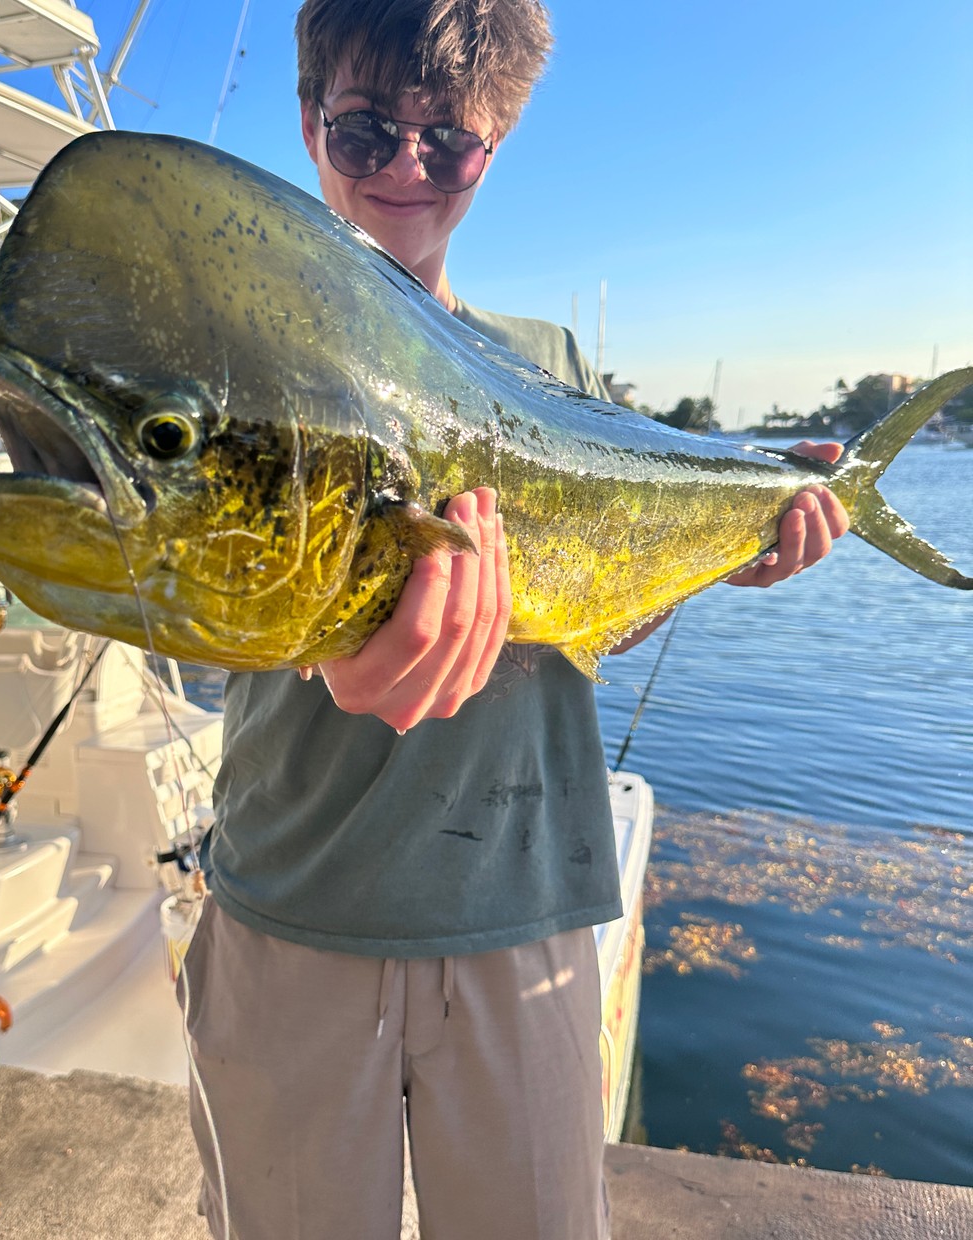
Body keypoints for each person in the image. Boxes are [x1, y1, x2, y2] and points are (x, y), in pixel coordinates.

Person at [179, 3, 850, 1238]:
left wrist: (715, 560)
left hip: (523, 910)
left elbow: (593, 625)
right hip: (290, 910)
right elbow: (165, 592)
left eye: (450, 143)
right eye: (366, 130)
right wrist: (335, 641)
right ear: (309, 119)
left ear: (499, 145)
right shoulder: (240, 348)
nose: (404, 170)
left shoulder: (549, 364)